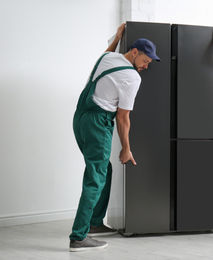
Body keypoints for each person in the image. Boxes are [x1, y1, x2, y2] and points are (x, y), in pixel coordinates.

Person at [69, 23, 161, 252]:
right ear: (134, 52)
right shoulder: (132, 78)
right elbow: (122, 117)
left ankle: (94, 222)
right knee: (95, 177)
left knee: (102, 170)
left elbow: (109, 51)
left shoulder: (107, 58)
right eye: (145, 60)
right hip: (98, 122)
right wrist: (126, 148)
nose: (146, 66)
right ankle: (79, 237)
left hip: (80, 119)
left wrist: (117, 37)